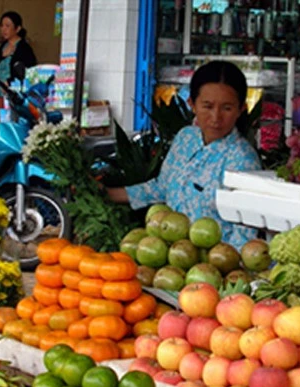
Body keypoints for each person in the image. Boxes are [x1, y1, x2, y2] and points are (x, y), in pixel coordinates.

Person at [107, 61, 261, 248]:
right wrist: (107, 194)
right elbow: (161, 188)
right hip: (170, 259)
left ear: (241, 109)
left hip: (213, 268)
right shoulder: (185, 138)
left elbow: (245, 232)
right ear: (192, 104)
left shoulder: (243, 159)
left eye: (227, 108)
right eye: (207, 106)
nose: (216, 117)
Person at [0, 11, 37, 122]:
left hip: (14, 95)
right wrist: (2, 55)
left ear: (17, 28)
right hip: (0, 93)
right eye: (2, 26)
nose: (3, 29)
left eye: (8, 26)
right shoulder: (4, 46)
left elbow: (29, 72)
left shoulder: (24, 48)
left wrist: (10, 82)